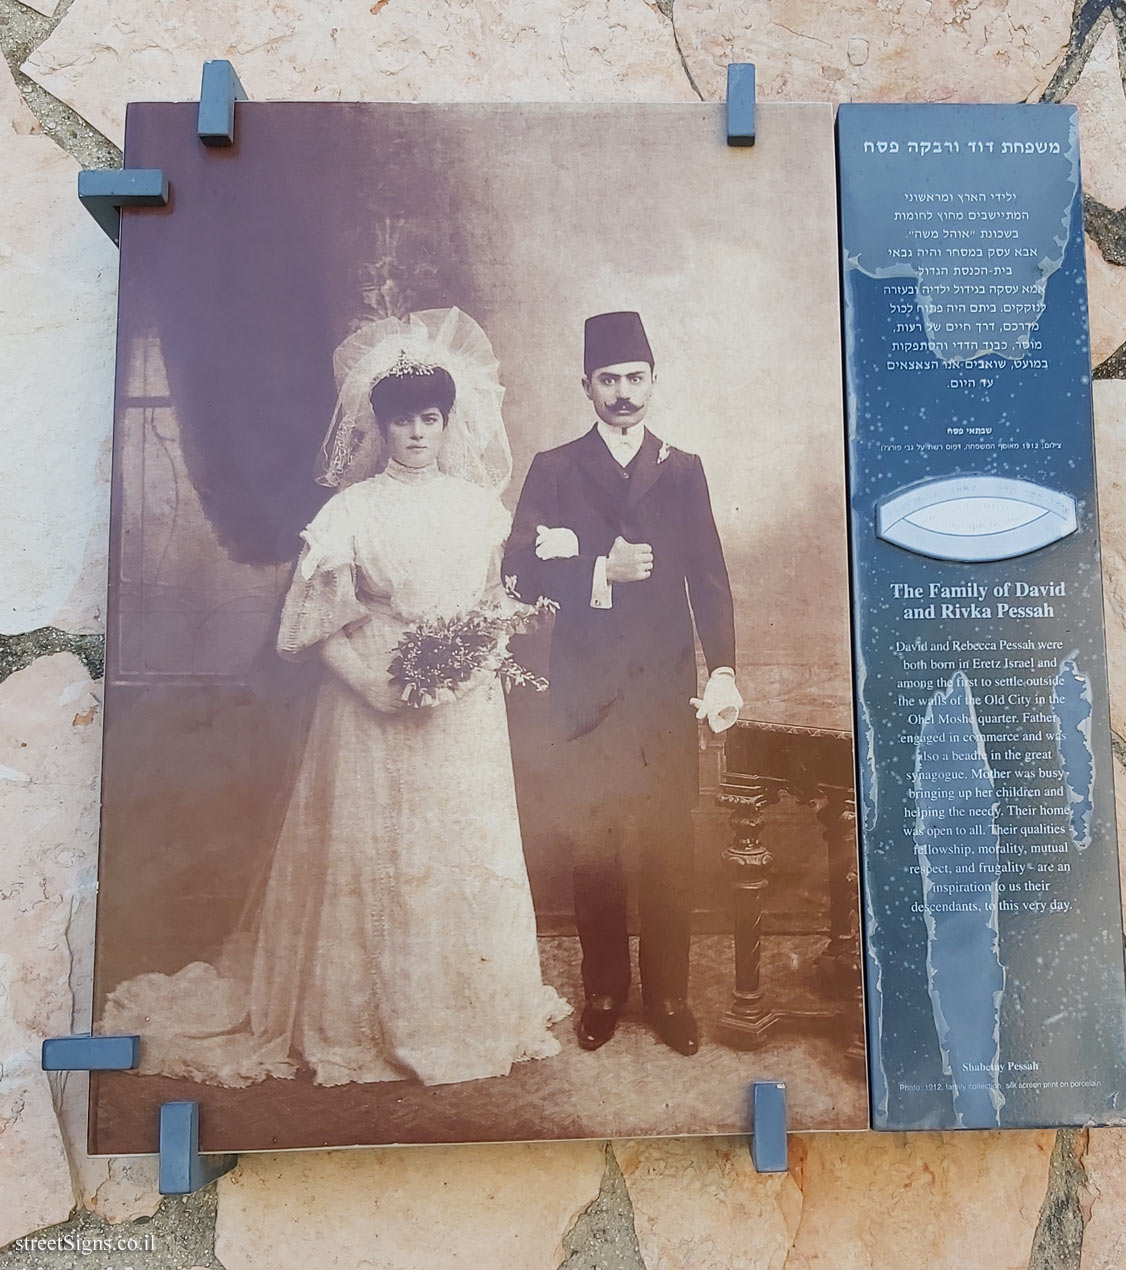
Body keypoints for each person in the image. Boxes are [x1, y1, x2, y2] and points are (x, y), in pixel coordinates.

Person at [103, 308, 569, 1087]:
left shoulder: (479, 510)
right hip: (370, 705)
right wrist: (377, 684)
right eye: (401, 422)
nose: (417, 434)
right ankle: (368, 1021)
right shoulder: (350, 511)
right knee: (376, 856)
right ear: (377, 428)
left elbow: (500, 605)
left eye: (429, 418)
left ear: (447, 422)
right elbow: (312, 628)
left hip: (462, 710)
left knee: (458, 852)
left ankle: (465, 1012)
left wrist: (465, 664)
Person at [503, 311, 742, 1057]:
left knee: (671, 843)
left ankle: (669, 994)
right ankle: (604, 991)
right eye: (608, 380)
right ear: (586, 387)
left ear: (653, 383)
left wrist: (725, 668)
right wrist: (598, 569)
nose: (623, 393)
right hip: (588, 694)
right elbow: (517, 572)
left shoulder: (683, 468)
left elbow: (709, 576)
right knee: (595, 844)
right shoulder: (554, 467)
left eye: (635, 378)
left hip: (666, 690)